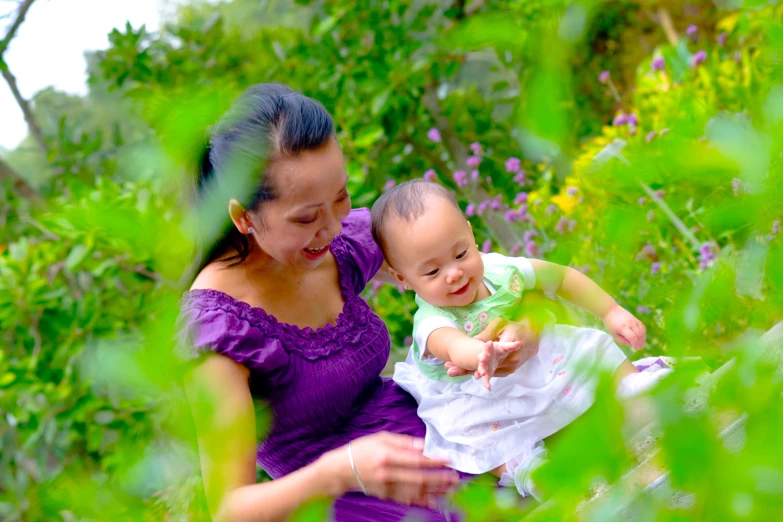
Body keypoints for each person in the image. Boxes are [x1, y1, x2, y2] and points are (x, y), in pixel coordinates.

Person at [178, 83, 540, 521]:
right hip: (353, 501)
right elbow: (228, 509)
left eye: (341, 198)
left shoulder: (342, 241)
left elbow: (464, 272)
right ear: (243, 217)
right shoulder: (220, 330)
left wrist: (513, 323)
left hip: (447, 436)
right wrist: (341, 471)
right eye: (307, 218)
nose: (332, 229)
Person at [370, 179, 670, 500]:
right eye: (432, 272)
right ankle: (525, 466)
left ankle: (632, 391)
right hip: (477, 387)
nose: (453, 273)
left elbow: (561, 277)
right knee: (477, 433)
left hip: (535, 353)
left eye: (460, 253)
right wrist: (483, 354)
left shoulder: (501, 270)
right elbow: (453, 345)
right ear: (403, 279)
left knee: (591, 347)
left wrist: (611, 311)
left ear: (471, 234)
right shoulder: (432, 320)